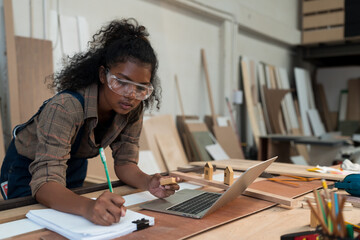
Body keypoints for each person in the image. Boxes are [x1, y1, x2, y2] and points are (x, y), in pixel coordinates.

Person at [0, 18, 179, 225]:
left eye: (141, 88)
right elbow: (45, 183)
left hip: (72, 164)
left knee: (73, 224)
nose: (130, 94)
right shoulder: (66, 107)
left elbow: (126, 164)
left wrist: (149, 182)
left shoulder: (132, 109)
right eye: (121, 82)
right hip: (26, 168)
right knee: (31, 226)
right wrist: (87, 206)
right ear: (103, 75)